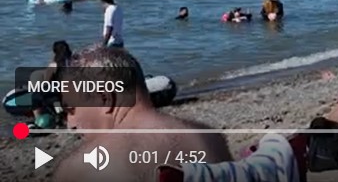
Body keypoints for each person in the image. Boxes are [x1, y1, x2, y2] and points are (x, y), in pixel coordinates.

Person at [52, 47, 232, 182]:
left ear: (104, 99)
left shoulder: (78, 169)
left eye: (70, 109)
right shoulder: (211, 138)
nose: (70, 123)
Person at [29, 40, 72, 129]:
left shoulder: (54, 65)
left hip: (57, 93)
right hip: (68, 90)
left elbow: (46, 81)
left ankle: (38, 119)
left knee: (35, 96)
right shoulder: (72, 62)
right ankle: (60, 113)